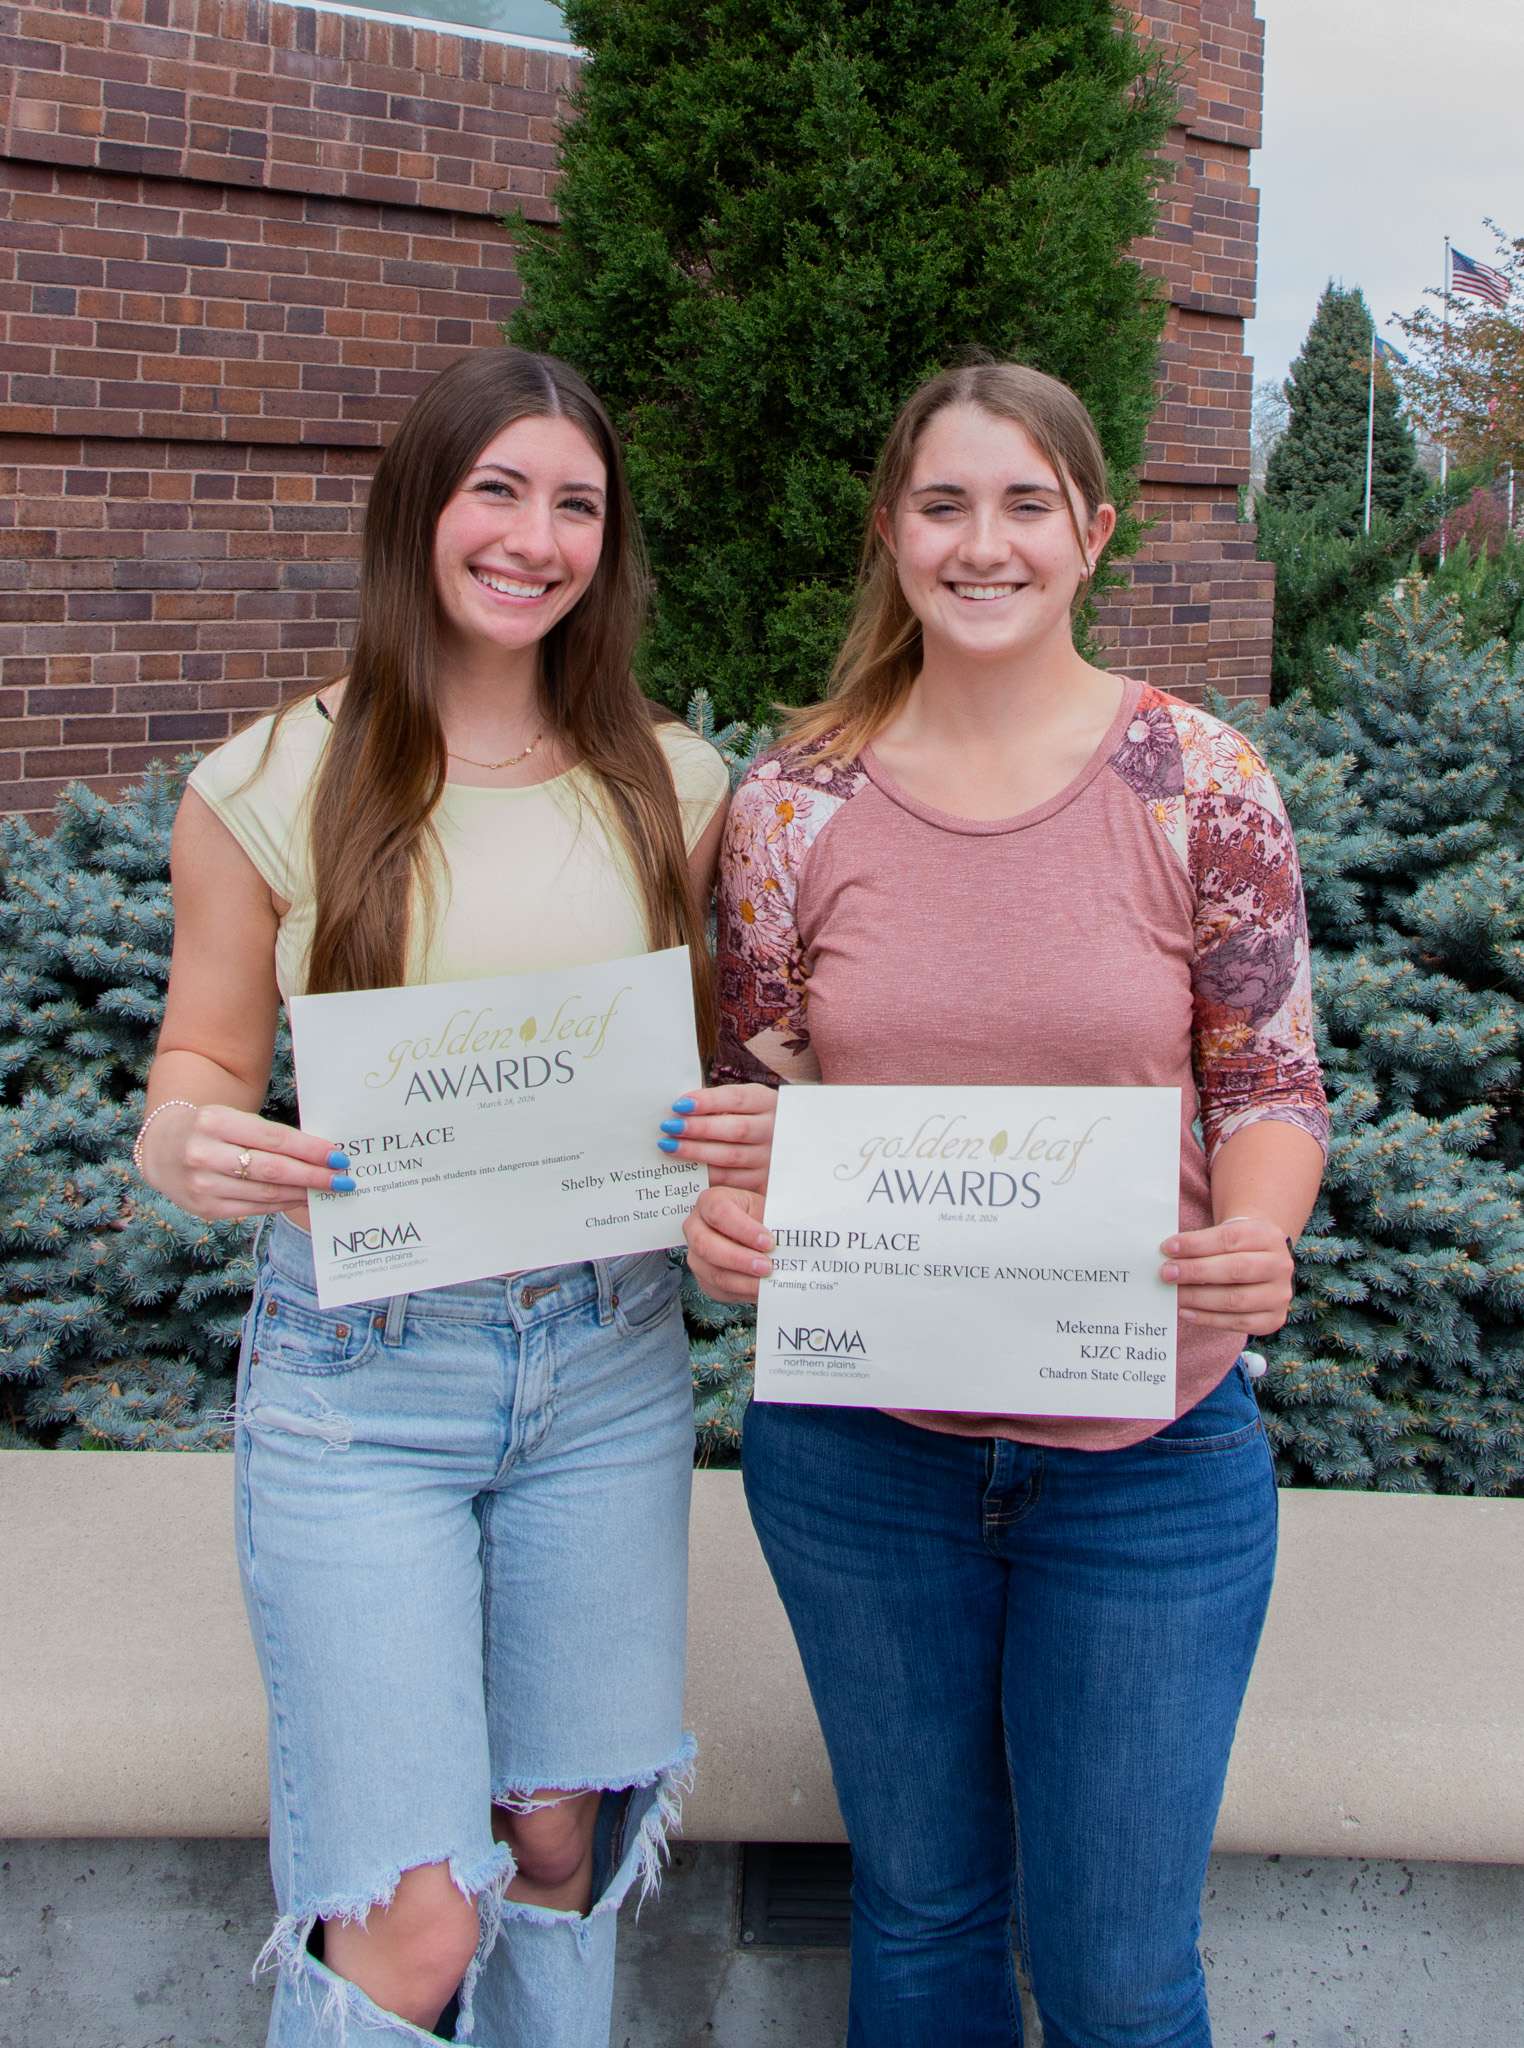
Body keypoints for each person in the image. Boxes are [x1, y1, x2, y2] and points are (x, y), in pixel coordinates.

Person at [676, 358, 1328, 2048]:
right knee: (921, 1915)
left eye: (1026, 505)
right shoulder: (790, 805)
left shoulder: (1198, 781)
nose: (986, 544)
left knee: (1117, 1974)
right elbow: (758, 1104)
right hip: (863, 1460)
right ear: (892, 532)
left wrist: (1257, 1233)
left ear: (1093, 533)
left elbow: (1267, 1085)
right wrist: (726, 1226)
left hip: (1149, 1462)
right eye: (946, 505)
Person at [134, 348, 754, 2048]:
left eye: (576, 503)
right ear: (419, 505)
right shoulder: (264, 786)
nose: (534, 537)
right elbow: (190, 1075)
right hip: (358, 1378)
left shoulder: (676, 785)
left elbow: (715, 1079)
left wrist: (745, 1166)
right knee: (410, 1918)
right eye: (498, 489)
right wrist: (199, 1147)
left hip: (606, 1369)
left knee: (557, 1837)